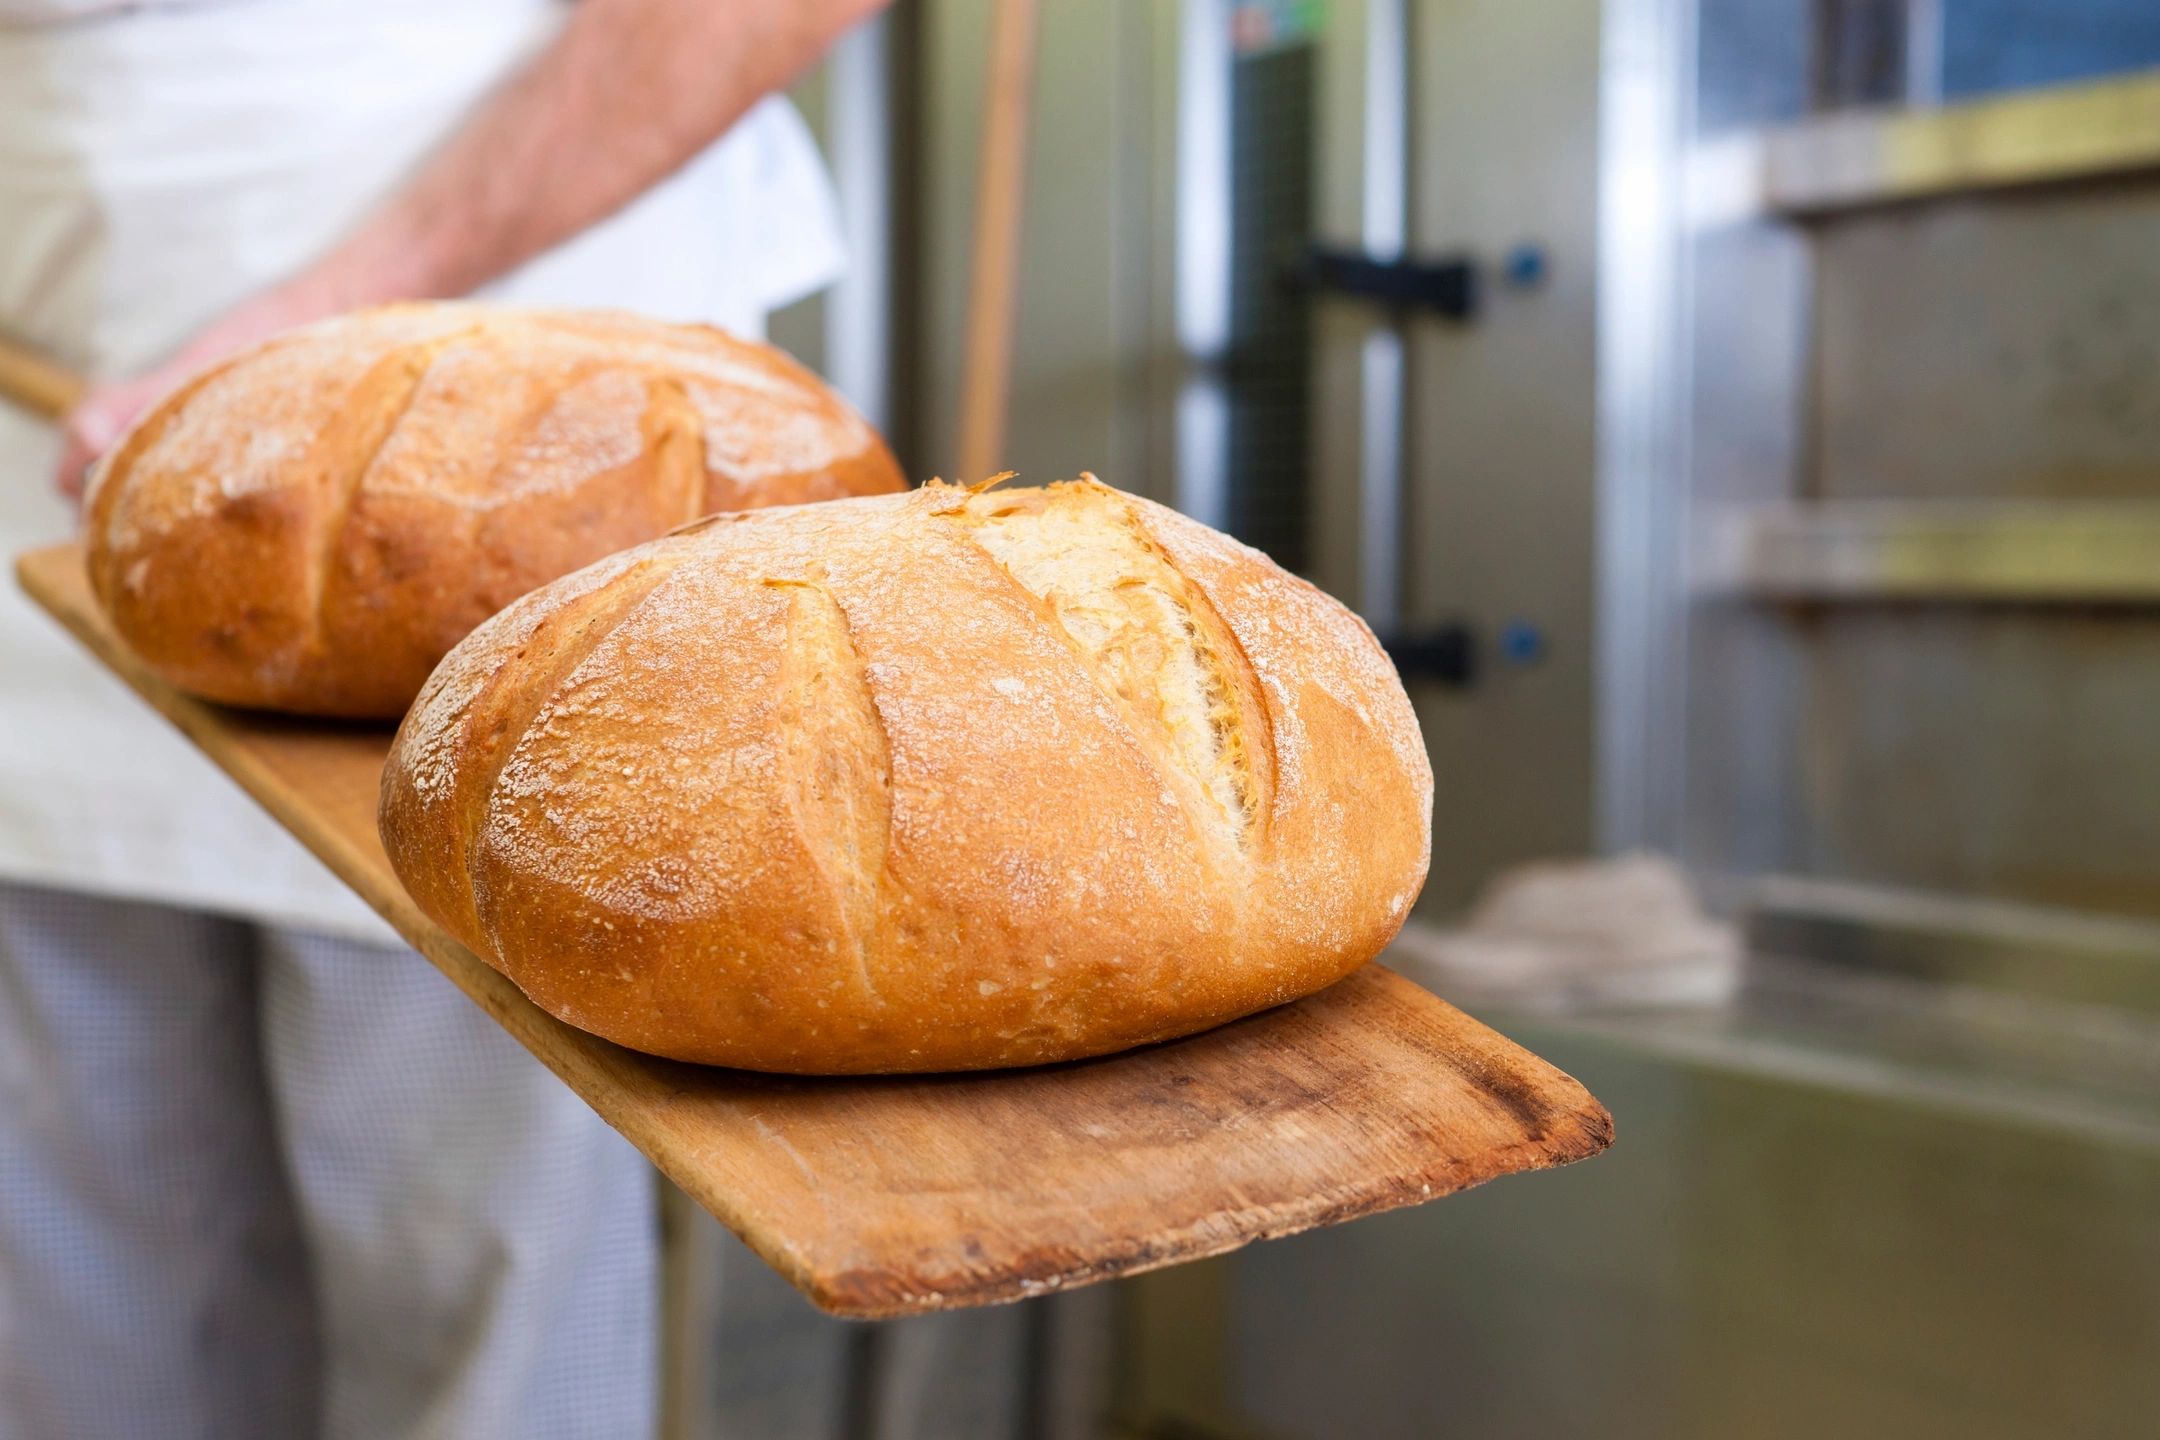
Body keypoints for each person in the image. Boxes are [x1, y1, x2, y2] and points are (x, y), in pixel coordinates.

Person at [0, 0, 887, 1435]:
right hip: (37, 465)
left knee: (479, 1329)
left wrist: (335, 322)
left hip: (516, 474)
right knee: (87, 1317)